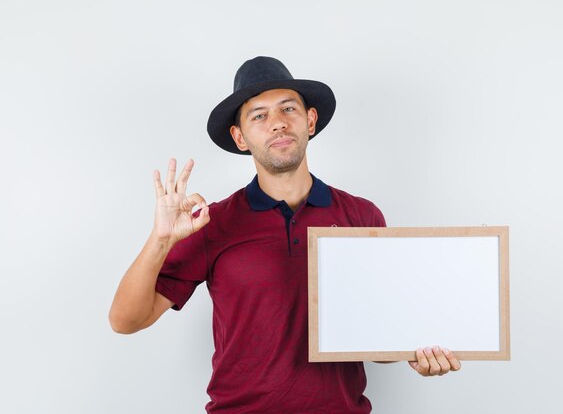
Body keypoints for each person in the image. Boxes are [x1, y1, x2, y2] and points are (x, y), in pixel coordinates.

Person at [109, 56, 461, 413]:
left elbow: (377, 333)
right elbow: (125, 321)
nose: (277, 124)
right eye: (259, 115)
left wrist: (412, 351)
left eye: (288, 109)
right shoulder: (211, 222)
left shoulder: (361, 216)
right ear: (240, 137)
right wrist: (161, 240)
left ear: (309, 120)